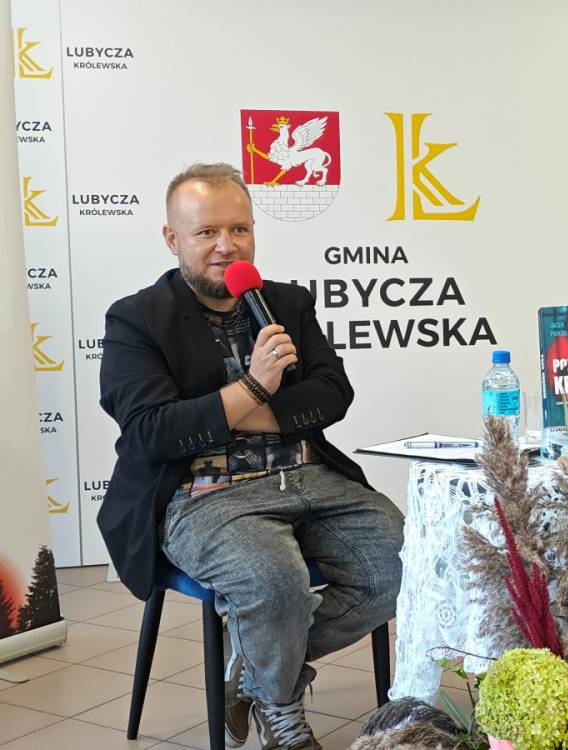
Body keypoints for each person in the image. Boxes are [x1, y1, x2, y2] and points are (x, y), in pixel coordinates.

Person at [98, 163, 404, 750]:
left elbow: (332, 394)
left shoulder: (285, 302)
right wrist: (257, 386)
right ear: (172, 238)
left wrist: (235, 408)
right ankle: (282, 717)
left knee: (403, 564)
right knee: (275, 581)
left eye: (239, 229)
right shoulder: (136, 318)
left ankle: (254, 671)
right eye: (206, 232)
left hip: (309, 477)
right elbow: (151, 432)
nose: (226, 246)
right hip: (203, 495)